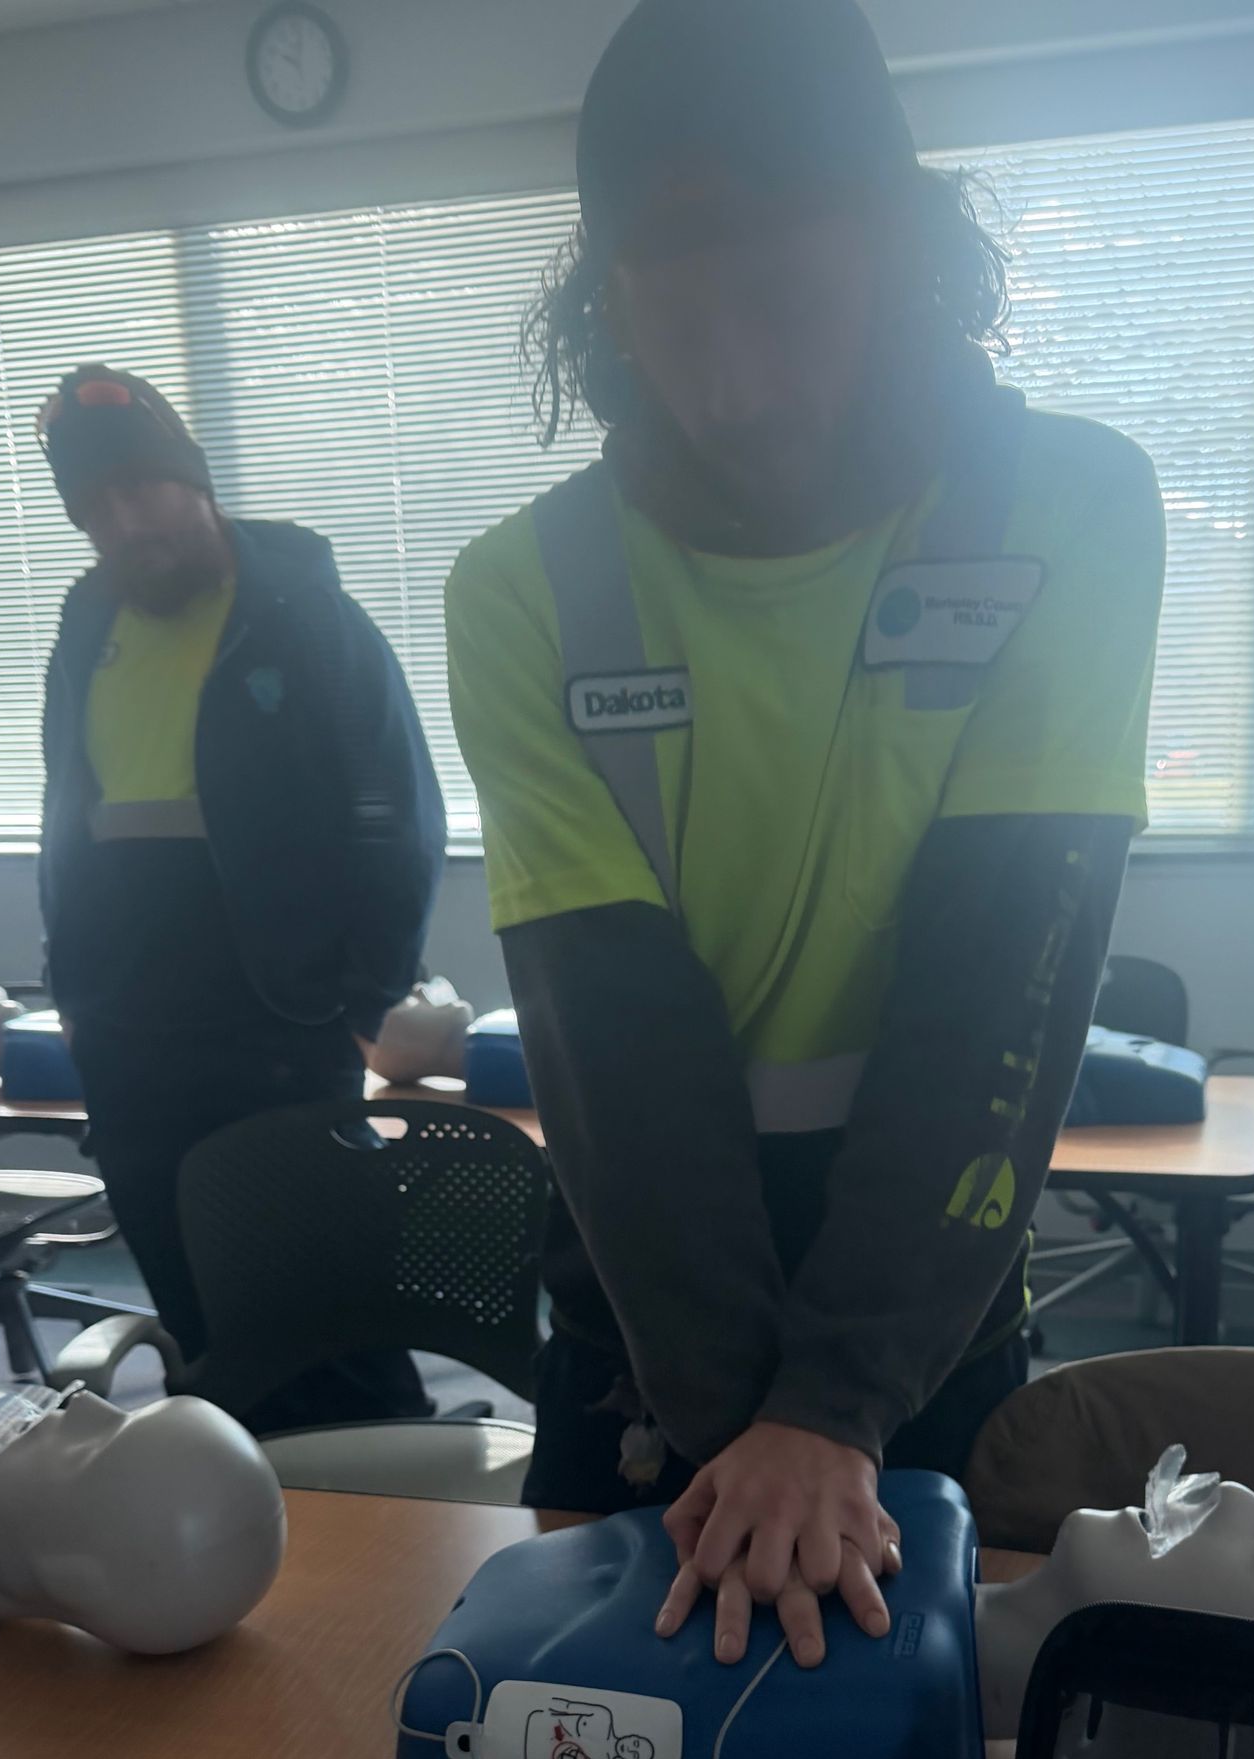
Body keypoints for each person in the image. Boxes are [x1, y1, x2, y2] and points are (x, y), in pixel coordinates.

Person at [447, 0, 1164, 1667]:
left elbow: (1003, 985)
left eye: (787, 304)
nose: (737, 390)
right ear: (601, 300)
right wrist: (733, 1429)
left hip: (918, 1274)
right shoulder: (527, 592)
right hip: (649, 1275)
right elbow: (607, 1036)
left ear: (901, 249)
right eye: (672, 321)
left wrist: (834, 1410)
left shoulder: (1066, 508)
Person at [36, 363, 446, 1426]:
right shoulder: (87, 623)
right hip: (128, 1028)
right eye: (97, 507)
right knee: (196, 1314)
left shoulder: (304, 619)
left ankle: (392, 1521)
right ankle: (231, 1511)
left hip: (278, 1015)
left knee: (326, 1305)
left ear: (196, 482)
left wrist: (363, 999)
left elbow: (399, 811)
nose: (127, 522)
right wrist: (70, 988)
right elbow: (69, 807)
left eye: (142, 489)